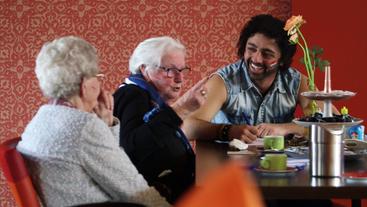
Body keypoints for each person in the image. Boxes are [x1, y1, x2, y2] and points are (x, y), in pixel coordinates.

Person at [16, 36, 170, 207]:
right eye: (97, 76)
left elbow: (107, 166)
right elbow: (134, 189)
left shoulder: (41, 120)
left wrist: (107, 125)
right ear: (84, 85)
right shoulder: (82, 126)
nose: (99, 84)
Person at [184, 14, 338, 143]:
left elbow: (334, 124)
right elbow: (187, 128)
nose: (256, 59)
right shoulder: (223, 81)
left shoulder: (297, 82)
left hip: (278, 166)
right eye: (251, 49)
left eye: (267, 54)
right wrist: (228, 131)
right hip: (225, 166)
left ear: (282, 59)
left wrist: (285, 128)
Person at [113, 36, 207, 203]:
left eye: (182, 70)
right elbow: (132, 150)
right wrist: (181, 109)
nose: (180, 79)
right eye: (169, 70)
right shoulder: (132, 94)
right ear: (144, 69)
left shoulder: (150, 97)